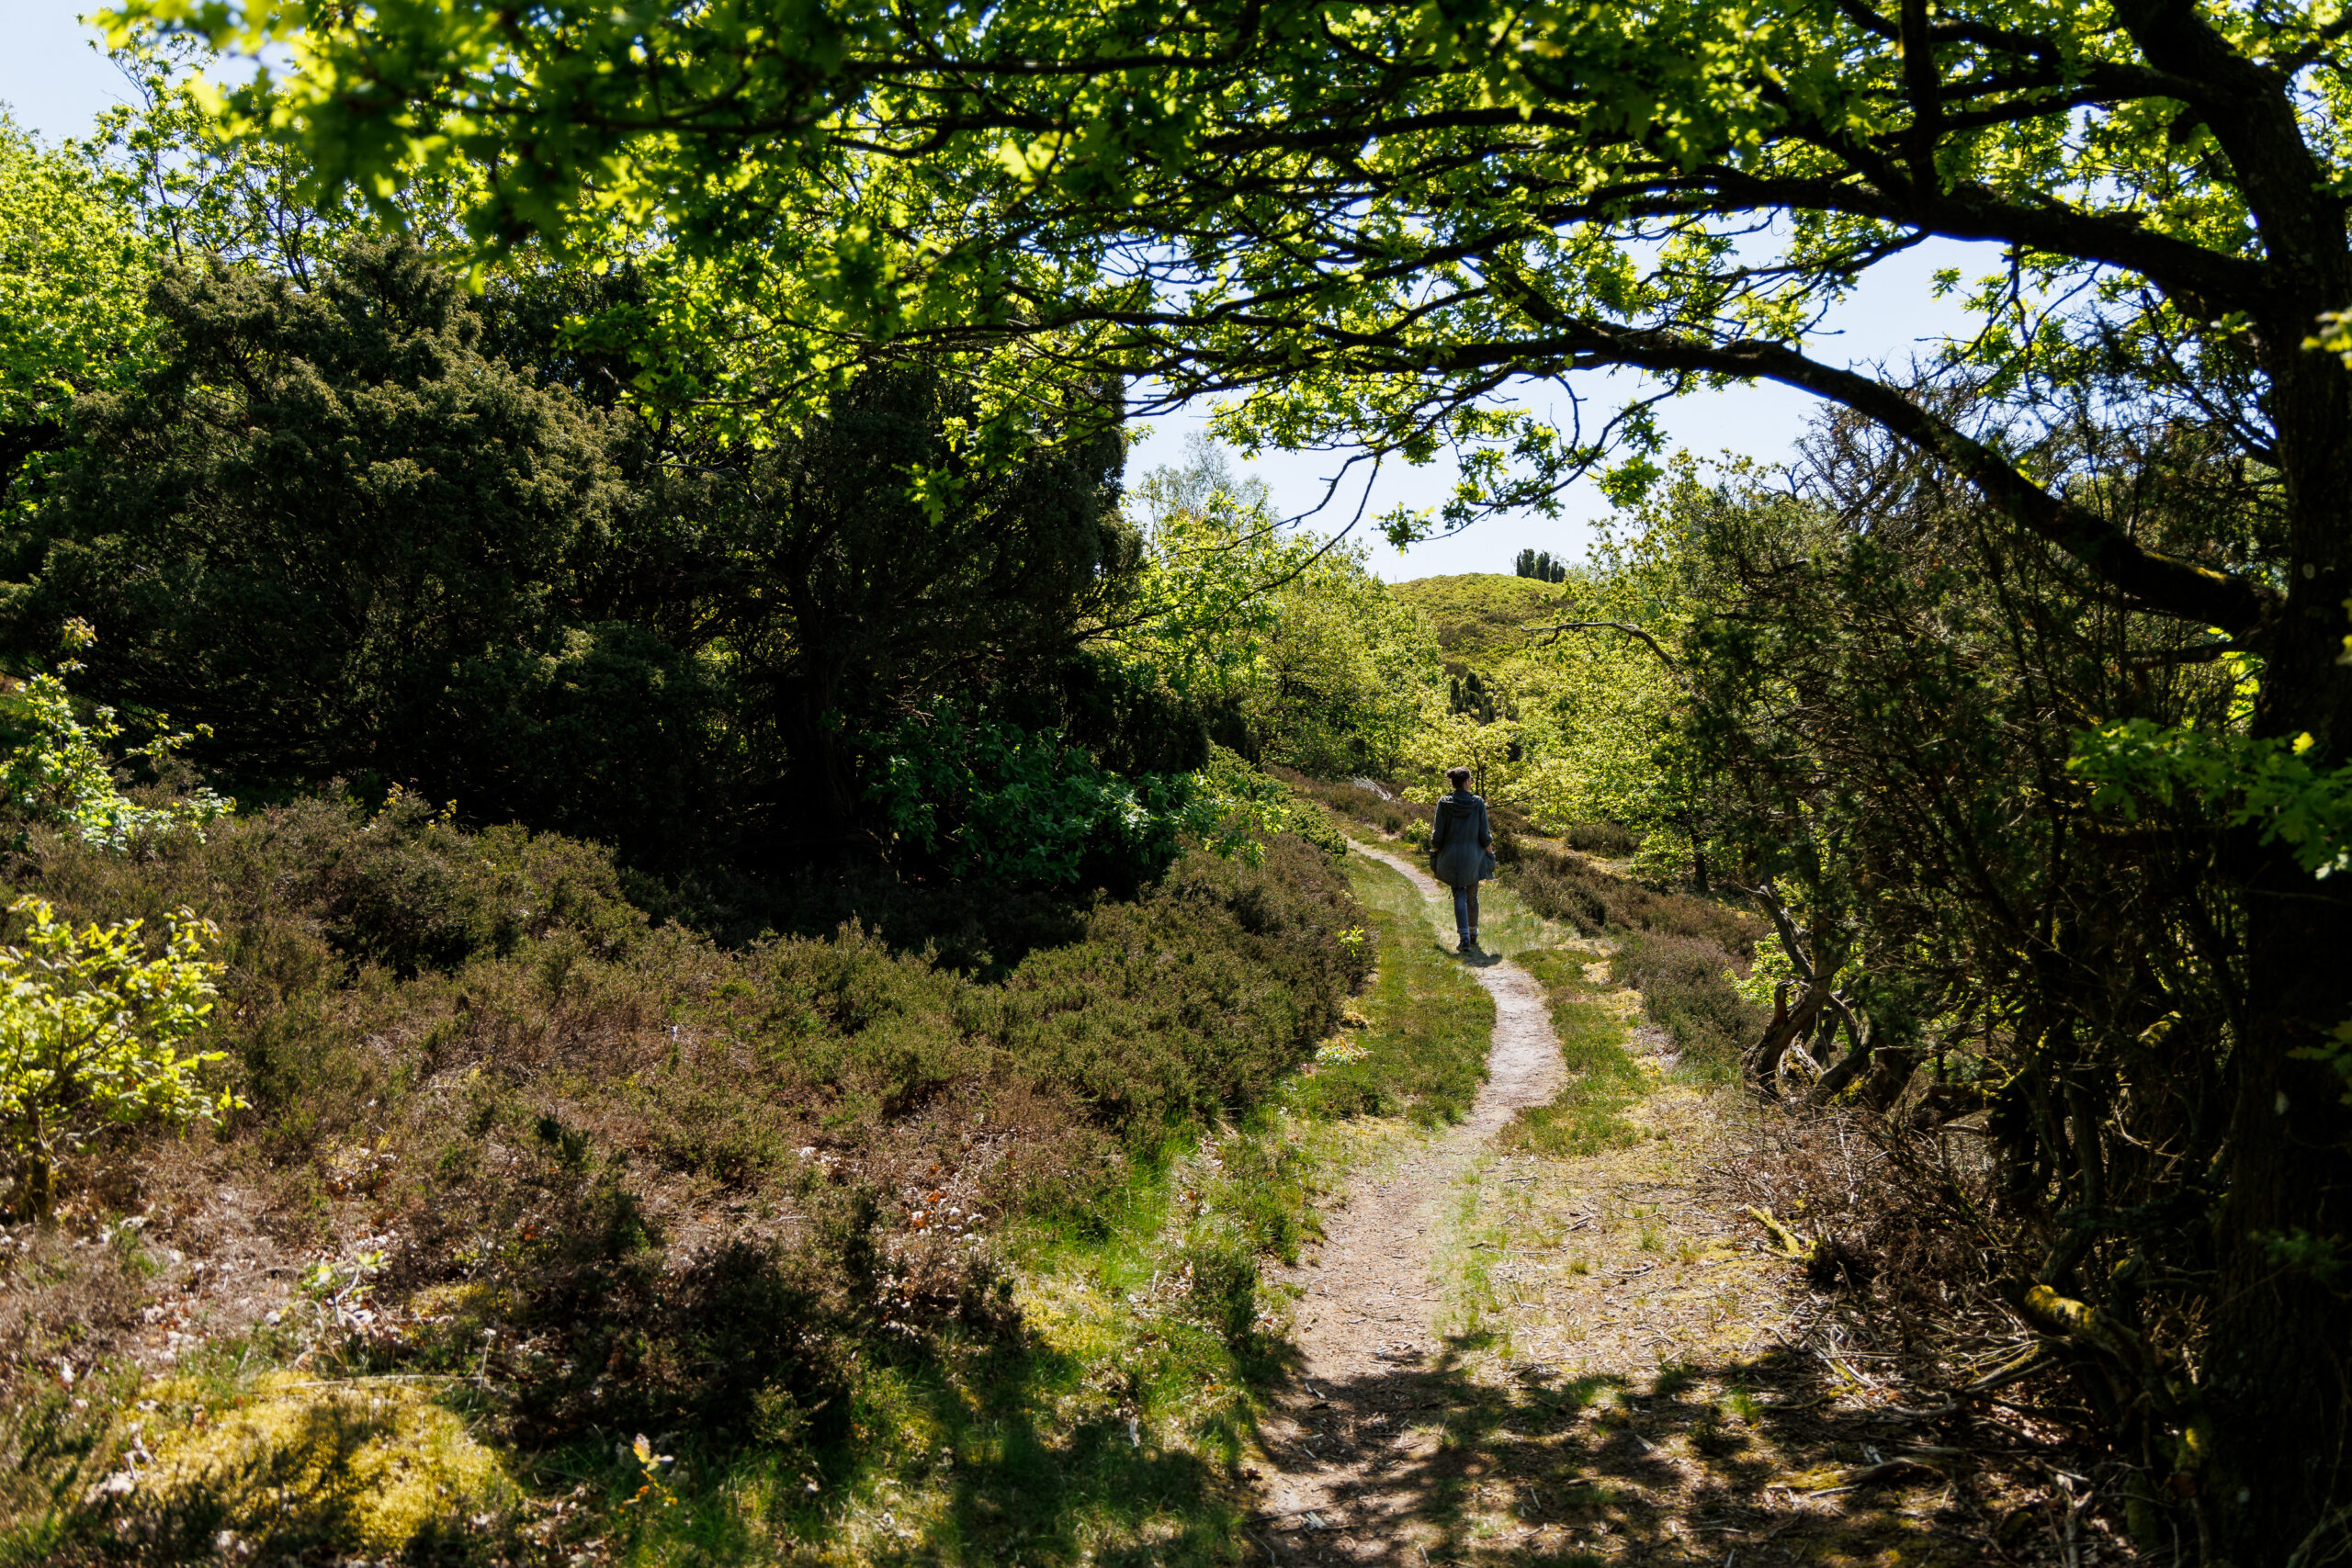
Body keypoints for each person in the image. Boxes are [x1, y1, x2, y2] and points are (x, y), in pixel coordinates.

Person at [1428, 765, 1493, 951]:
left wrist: (1435, 853)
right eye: (1471, 779)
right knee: (1472, 896)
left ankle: (1463, 937)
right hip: (1473, 858)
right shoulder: (1478, 803)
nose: (1471, 782)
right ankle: (1473, 933)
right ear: (1466, 782)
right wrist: (1490, 854)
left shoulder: (1444, 802)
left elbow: (1437, 836)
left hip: (1450, 858)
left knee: (1459, 894)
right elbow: (1484, 835)